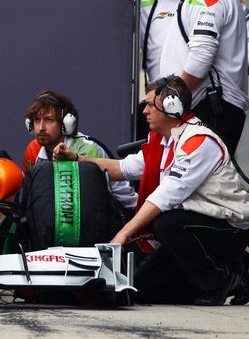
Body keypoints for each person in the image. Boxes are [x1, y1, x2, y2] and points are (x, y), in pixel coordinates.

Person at [54, 75, 249, 305]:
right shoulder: (162, 141)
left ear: (171, 106)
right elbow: (122, 168)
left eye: (149, 104)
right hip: (196, 226)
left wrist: (123, 234)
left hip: (231, 229)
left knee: (165, 222)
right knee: (139, 289)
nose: (144, 110)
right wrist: (76, 158)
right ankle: (238, 271)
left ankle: (220, 280)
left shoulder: (198, 142)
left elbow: (164, 197)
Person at [161, 0, 248, 155]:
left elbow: (201, 56)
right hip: (211, 105)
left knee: (207, 188)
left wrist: (169, 99)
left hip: (212, 107)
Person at [22, 90, 137, 209]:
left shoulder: (87, 149)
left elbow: (87, 201)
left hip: (120, 211)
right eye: (36, 120)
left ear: (65, 123)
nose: (41, 127)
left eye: (48, 120)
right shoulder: (35, 151)